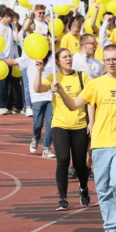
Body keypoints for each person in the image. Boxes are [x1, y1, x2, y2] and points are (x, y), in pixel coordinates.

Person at [53, 44, 116, 232]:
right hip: (99, 143)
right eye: (107, 60)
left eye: (115, 59)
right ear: (103, 61)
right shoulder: (95, 85)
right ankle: (110, 231)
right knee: (103, 189)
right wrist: (60, 91)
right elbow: (73, 105)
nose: (111, 63)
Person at [36, 49, 91, 211]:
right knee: (63, 160)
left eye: (69, 56)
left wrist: (91, 122)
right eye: (64, 57)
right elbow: (38, 88)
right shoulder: (53, 78)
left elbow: (90, 99)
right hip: (60, 124)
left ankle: (83, 188)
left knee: (80, 164)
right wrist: (39, 71)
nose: (68, 59)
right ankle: (62, 198)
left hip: (79, 124)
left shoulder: (82, 76)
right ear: (58, 61)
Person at [6, 40, 56, 159]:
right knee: (38, 123)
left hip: (51, 96)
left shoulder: (53, 58)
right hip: (37, 95)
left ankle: (46, 148)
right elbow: (13, 62)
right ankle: (35, 138)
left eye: (47, 41)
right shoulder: (29, 57)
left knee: (51, 123)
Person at [0, 7, 22, 115]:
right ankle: (0, 106)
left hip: (10, 58)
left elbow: (17, 40)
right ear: (6, 16)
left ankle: (7, 105)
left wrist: (16, 27)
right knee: (2, 84)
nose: (13, 19)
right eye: (11, 17)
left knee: (9, 84)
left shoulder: (11, 26)